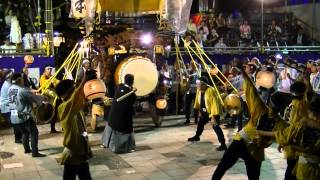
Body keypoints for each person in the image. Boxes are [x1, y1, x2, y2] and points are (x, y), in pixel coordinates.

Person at [212, 68, 285, 179]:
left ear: (270, 101)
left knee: (222, 167)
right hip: (252, 147)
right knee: (251, 176)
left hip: (244, 143)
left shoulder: (261, 108)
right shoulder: (279, 121)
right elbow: (285, 134)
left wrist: (245, 75)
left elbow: (251, 91)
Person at [257, 95, 320, 180]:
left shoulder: (305, 122)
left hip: (308, 170)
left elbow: (309, 149)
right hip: (304, 167)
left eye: (309, 112)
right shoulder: (305, 120)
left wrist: (260, 132)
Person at [55, 74, 92, 180]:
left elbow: (78, 100)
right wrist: (84, 81)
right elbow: (76, 96)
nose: (76, 91)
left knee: (84, 175)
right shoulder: (64, 107)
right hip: (73, 150)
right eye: (73, 89)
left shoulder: (73, 106)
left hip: (80, 148)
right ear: (67, 93)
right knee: (70, 176)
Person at [8, 73, 45, 157]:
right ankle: (35, 152)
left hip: (14, 116)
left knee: (24, 132)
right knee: (34, 132)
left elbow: (25, 92)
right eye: (22, 79)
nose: (23, 80)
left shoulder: (11, 89)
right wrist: (42, 97)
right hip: (23, 115)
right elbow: (34, 98)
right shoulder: (22, 91)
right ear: (20, 80)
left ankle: (27, 149)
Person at [187, 76, 227, 151]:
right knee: (200, 123)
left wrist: (213, 116)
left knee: (216, 127)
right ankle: (197, 136)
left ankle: (223, 144)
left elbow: (214, 104)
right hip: (204, 112)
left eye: (198, 83)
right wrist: (198, 110)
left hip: (212, 113)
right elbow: (198, 101)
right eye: (197, 83)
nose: (197, 85)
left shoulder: (211, 90)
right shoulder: (199, 90)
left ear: (204, 84)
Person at [101, 74, 137, 153]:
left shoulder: (119, 88)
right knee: (124, 129)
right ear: (132, 82)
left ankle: (106, 143)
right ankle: (125, 147)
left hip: (113, 114)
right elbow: (131, 103)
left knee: (111, 126)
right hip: (123, 117)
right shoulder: (131, 94)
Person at [0, 70, 22, 143]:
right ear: (8, 78)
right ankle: (18, 139)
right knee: (16, 121)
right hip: (6, 109)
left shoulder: (8, 83)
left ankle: (20, 137)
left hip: (8, 107)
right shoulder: (8, 86)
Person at [39, 65, 60, 133]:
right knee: (52, 113)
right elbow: (45, 86)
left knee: (56, 112)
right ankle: (52, 128)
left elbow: (57, 82)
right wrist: (51, 81)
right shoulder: (43, 77)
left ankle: (53, 128)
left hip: (54, 98)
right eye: (48, 69)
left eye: (50, 69)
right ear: (45, 70)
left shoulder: (51, 77)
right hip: (48, 98)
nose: (50, 70)